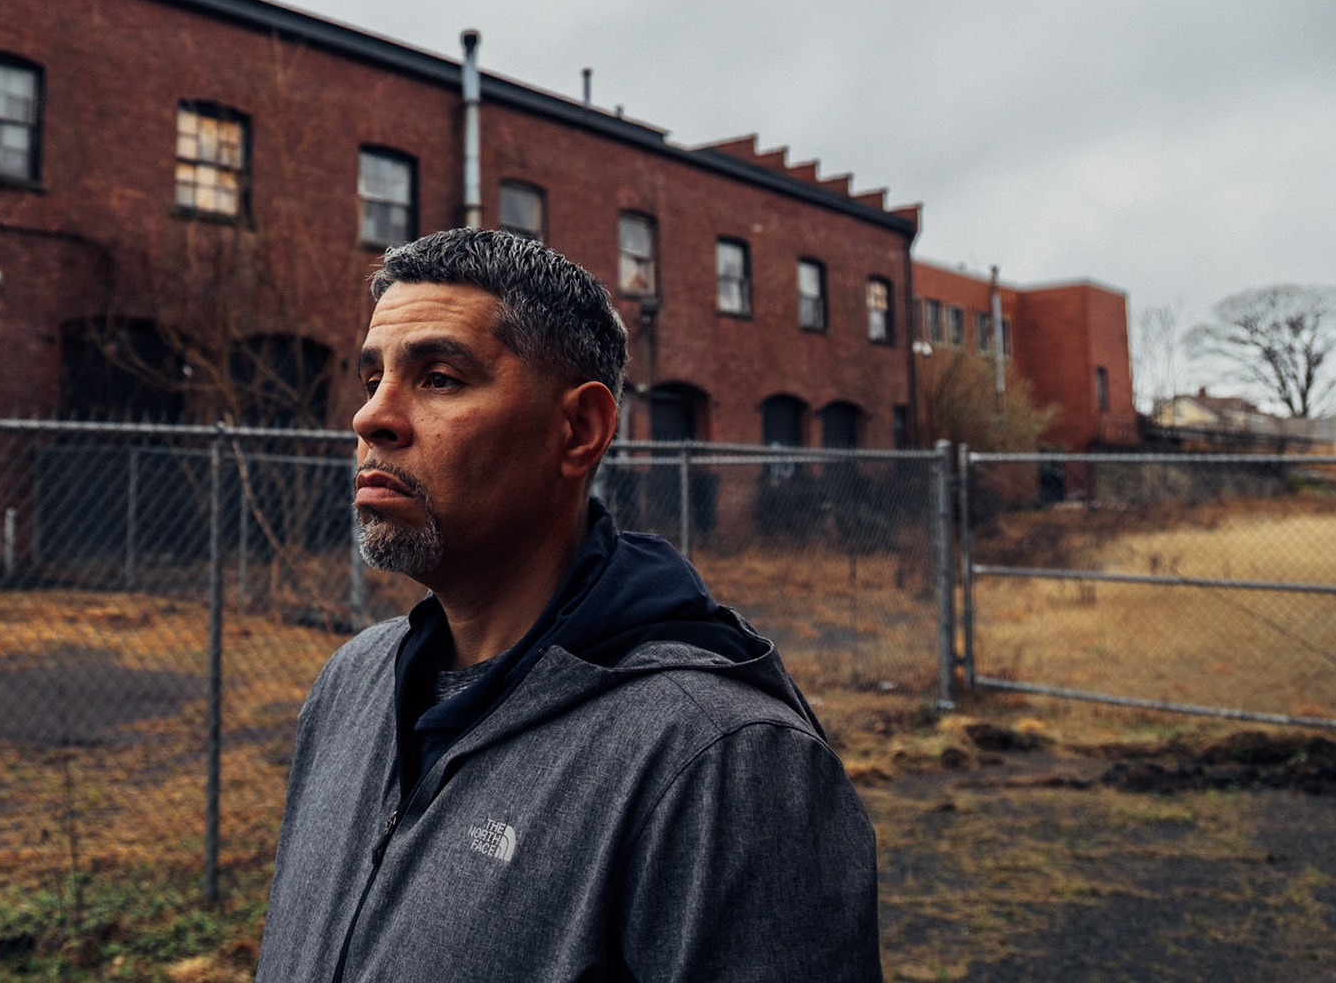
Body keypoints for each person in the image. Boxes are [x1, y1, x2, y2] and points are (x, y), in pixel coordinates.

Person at [256, 229, 881, 982]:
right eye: (371, 381)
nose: (371, 419)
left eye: (440, 378)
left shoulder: (722, 761)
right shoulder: (350, 684)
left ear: (579, 430)